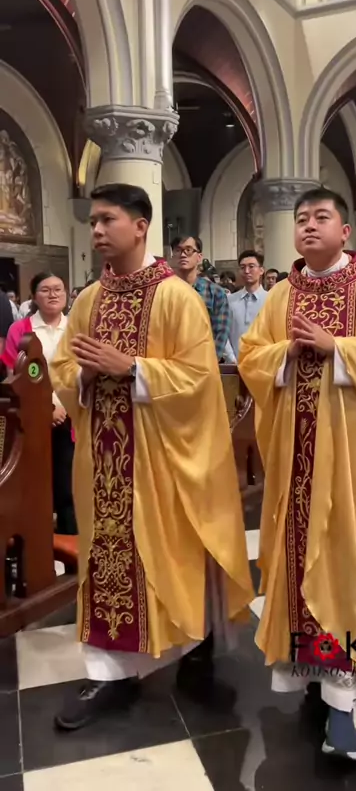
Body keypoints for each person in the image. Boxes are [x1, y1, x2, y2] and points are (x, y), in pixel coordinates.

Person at [50, 183, 253, 731]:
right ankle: (110, 673)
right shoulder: (88, 300)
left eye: (107, 220)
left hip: (161, 462)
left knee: (172, 555)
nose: (96, 230)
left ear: (141, 226)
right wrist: (84, 374)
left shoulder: (175, 298)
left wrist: (133, 367)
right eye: (93, 221)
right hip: (104, 465)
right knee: (108, 562)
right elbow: (64, 368)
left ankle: (191, 646)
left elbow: (198, 379)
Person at [238, 187, 356, 762]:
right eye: (301, 219)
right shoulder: (282, 294)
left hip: (352, 462)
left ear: (345, 231)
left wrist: (336, 347)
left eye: (321, 217)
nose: (309, 226)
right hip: (295, 462)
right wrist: (286, 355)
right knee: (298, 570)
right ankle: (311, 678)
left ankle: (343, 707)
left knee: (346, 571)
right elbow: (251, 354)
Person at [2, 273, 76, 534]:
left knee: (69, 486)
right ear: (34, 296)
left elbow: (82, 370)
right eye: (45, 290)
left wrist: (64, 406)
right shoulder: (20, 329)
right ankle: (37, 546)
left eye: (58, 289)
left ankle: (70, 544)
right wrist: (49, 407)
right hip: (34, 414)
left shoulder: (76, 327)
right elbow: (18, 374)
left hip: (72, 415)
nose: (53, 294)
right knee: (36, 484)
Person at [170, 235, 231, 360]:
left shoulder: (215, 293)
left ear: (199, 257)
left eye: (188, 250)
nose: (183, 255)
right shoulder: (164, 291)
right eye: (178, 250)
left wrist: (208, 362)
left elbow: (221, 333)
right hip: (169, 362)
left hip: (203, 362)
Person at [225, 250, 268, 362]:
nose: (247, 271)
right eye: (242, 267)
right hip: (235, 363)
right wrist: (232, 358)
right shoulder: (230, 300)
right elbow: (224, 332)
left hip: (264, 363)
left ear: (261, 270)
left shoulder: (270, 299)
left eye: (251, 266)